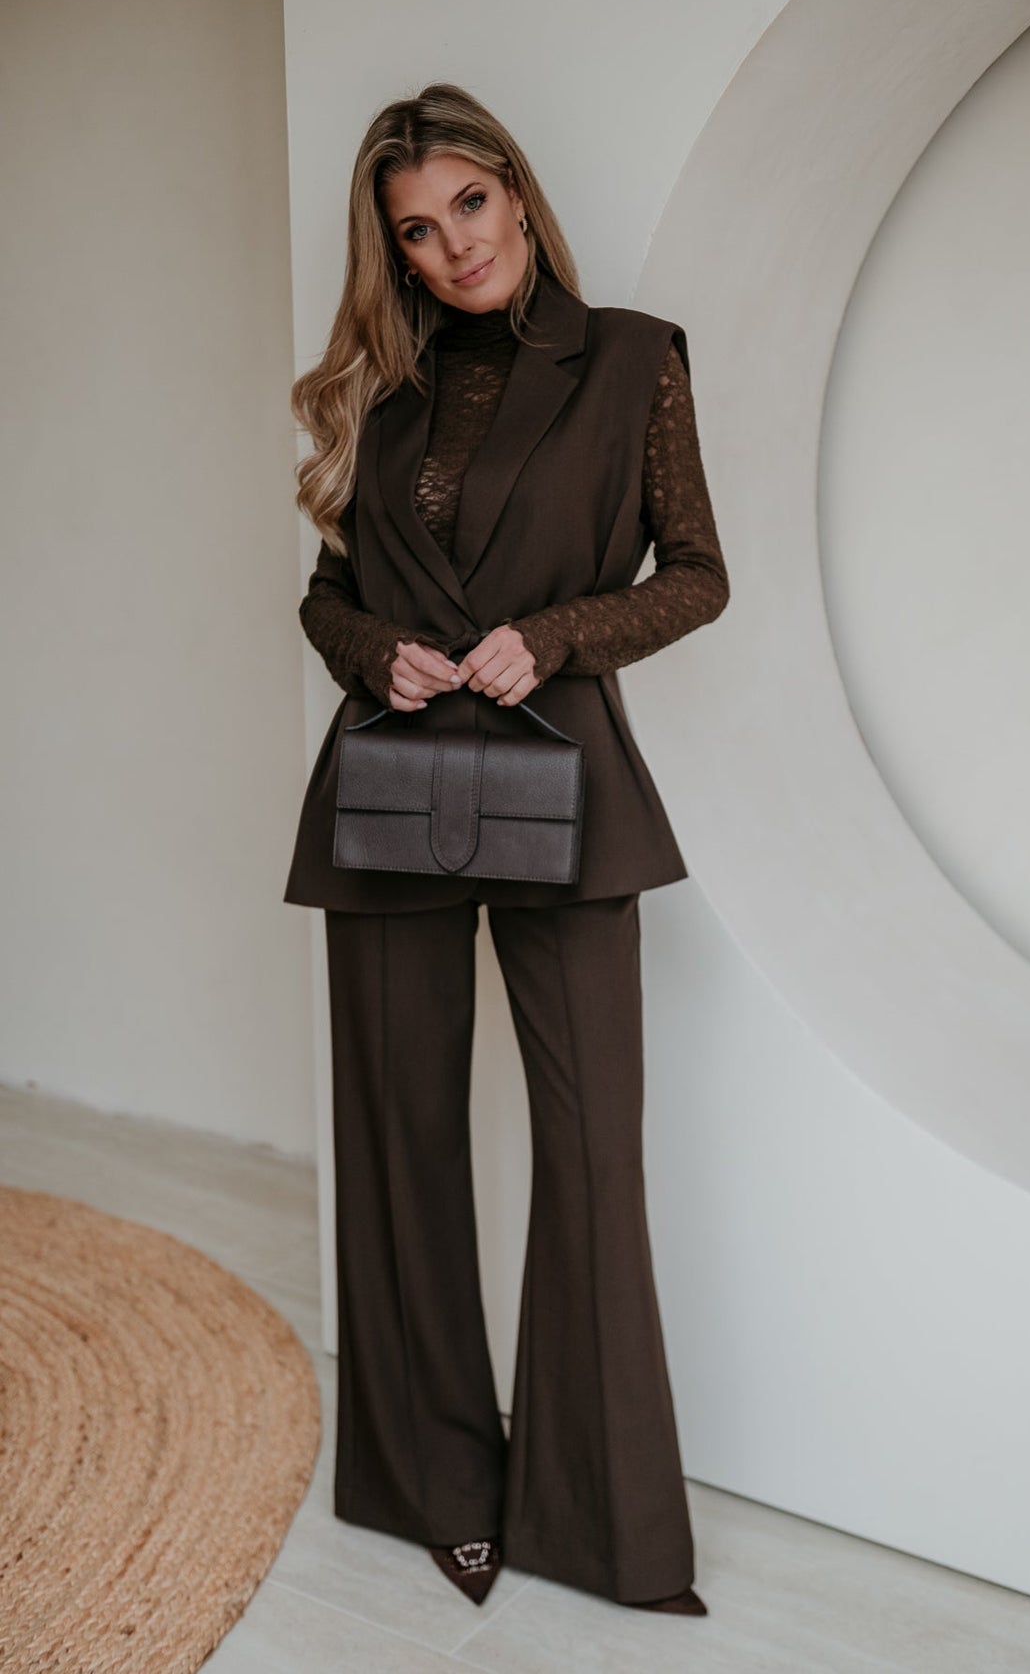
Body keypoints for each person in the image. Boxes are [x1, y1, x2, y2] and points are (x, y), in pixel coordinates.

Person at [283, 82, 729, 1615]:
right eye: (416, 231)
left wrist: (554, 635)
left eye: (468, 205)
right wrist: (374, 654)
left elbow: (697, 574)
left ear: (517, 196)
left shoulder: (632, 360)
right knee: (397, 1139)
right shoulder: (379, 396)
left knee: (592, 1147)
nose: (453, 245)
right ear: (395, 254)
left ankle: (597, 1522)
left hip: (566, 786)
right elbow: (326, 594)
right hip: (391, 787)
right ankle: (433, 1483)